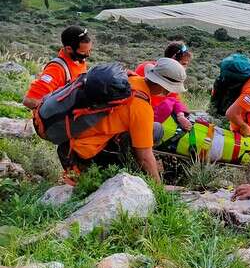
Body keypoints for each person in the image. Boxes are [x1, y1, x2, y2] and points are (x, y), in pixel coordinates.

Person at [58, 58, 187, 184]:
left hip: (70, 141)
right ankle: (90, 173)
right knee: (143, 150)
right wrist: (159, 188)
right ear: (166, 88)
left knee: (156, 129)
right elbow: (144, 157)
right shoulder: (141, 107)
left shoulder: (131, 79)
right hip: (81, 154)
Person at [23, 25, 93, 109]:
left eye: (89, 50)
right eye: (83, 52)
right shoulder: (56, 69)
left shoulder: (78, 60)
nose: (88, 55)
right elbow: (29, 101)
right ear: (68, 49)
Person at [135, 41, 192, 131]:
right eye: (184, 64)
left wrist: (180, 115)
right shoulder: (146, 69)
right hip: (140, 116)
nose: (185, 68)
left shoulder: (172, 76)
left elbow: (175, 97)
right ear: (173, 59)